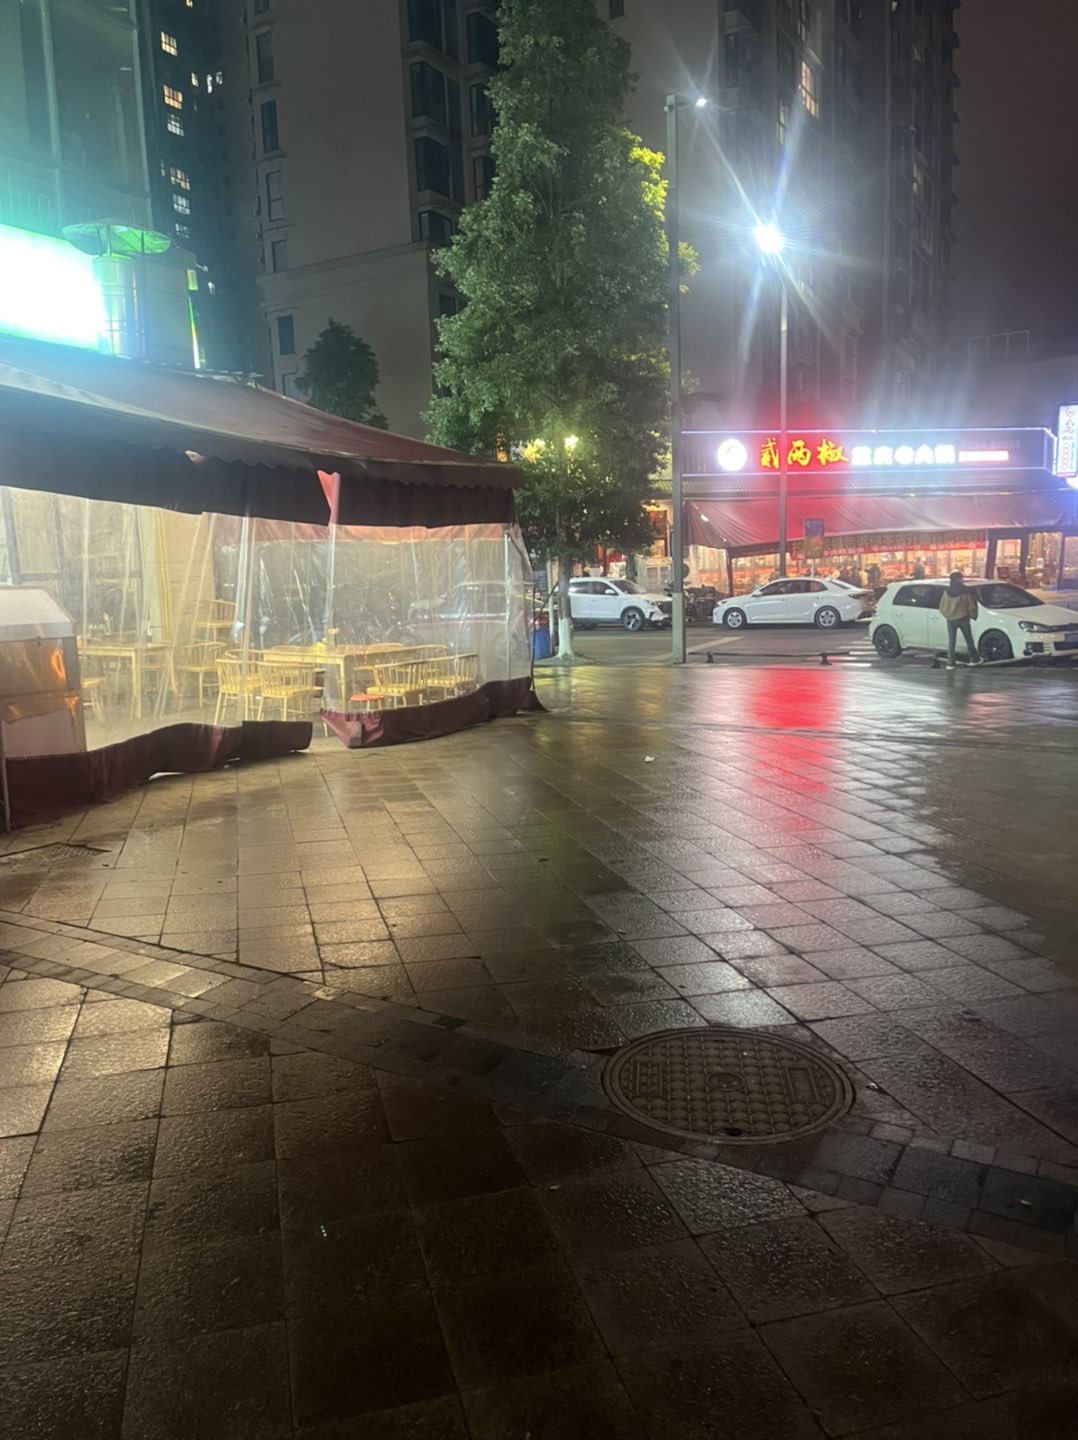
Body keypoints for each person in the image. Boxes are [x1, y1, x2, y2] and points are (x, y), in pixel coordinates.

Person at [939, 571, 982, 669]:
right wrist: (972, 615)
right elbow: (971, 605)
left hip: (950, 620)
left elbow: (942, 605)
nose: (962, 580)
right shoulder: (964, 591)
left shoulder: (947, 591)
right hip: (963, 618)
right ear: (958, 579)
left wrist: (948, 615)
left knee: (951, 641)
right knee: (968, 639)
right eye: (961, 578)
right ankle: (974, 659)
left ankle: (950, 663)